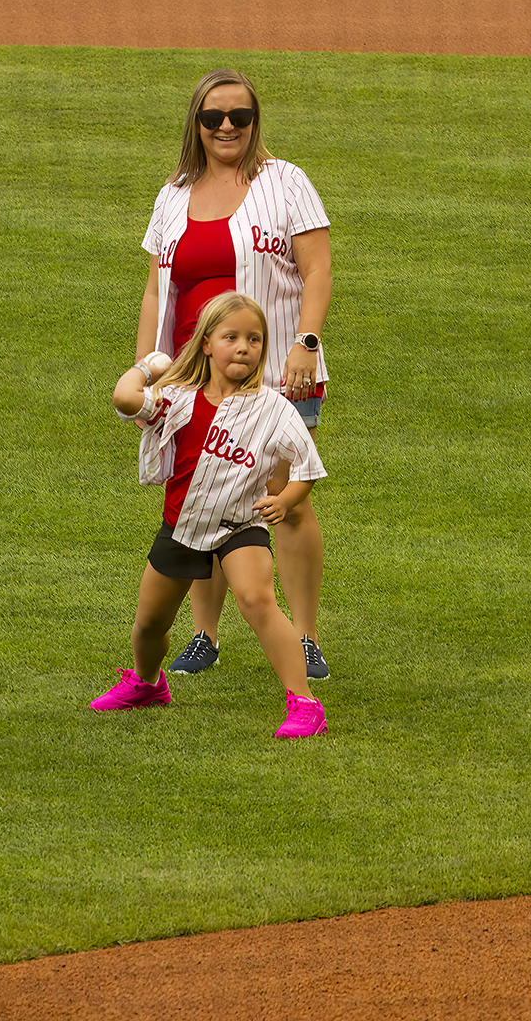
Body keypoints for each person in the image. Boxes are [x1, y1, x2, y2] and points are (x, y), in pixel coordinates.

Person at [135, 67, 332, 680]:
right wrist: (146, 368)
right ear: (196, 123)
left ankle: (303, 638)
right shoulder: (174, 191)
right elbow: (155, 290)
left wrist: (305, 341)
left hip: (278, 372)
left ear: (255, 123)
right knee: (204, 498)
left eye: (239, 117)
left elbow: (318, 269)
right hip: (196, 378)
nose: (227, 127)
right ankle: (204, 635)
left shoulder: (285, 181)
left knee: (285, 502)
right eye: (214, 117)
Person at [90, 293, 328, 739]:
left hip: (241, 527)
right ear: (205, 344)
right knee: (149, 624)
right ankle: (146, 684)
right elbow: (125, 399)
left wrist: (286, 500)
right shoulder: (177, 398)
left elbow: (308, 469)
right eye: (231, 337)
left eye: (254, 339)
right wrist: (149, 365)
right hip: (182, 527)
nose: (244, 347)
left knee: (259, 601)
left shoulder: (272, 407)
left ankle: (305, 705)